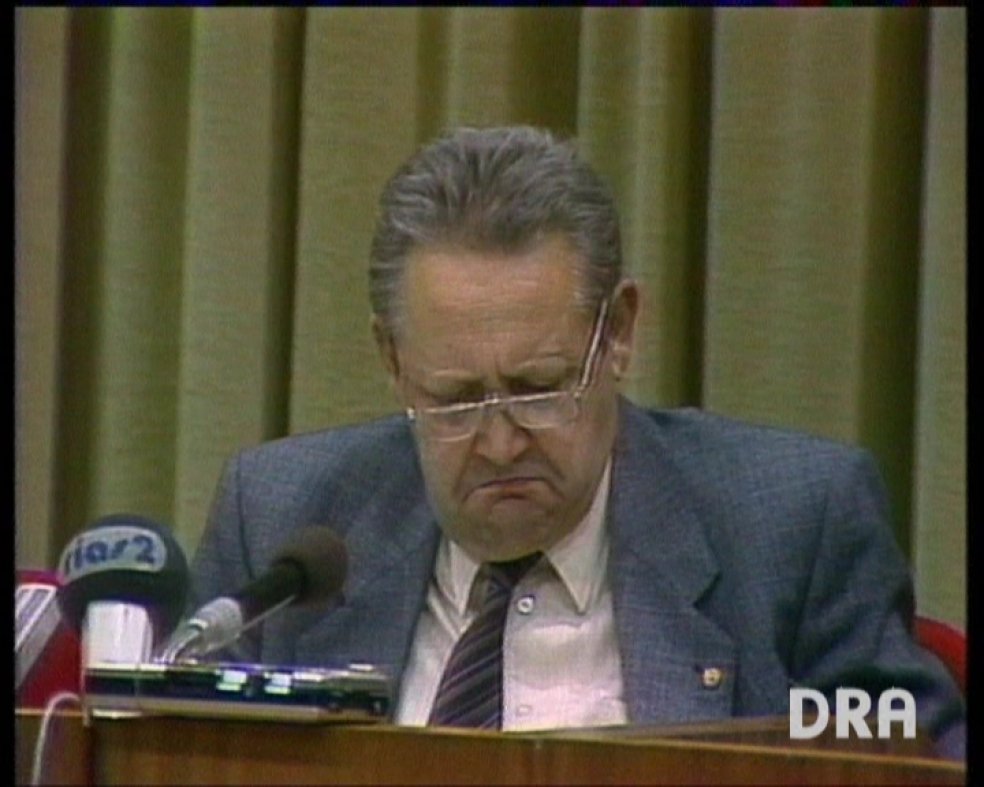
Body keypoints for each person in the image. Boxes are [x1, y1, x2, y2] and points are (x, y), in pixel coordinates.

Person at [189, 126, 965, 758]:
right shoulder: (283, 525)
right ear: (393, 361)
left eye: (538, 388)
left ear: (619, 333)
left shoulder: (794, 523)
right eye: (455, 399)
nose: (498, 443)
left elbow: (916, 755)